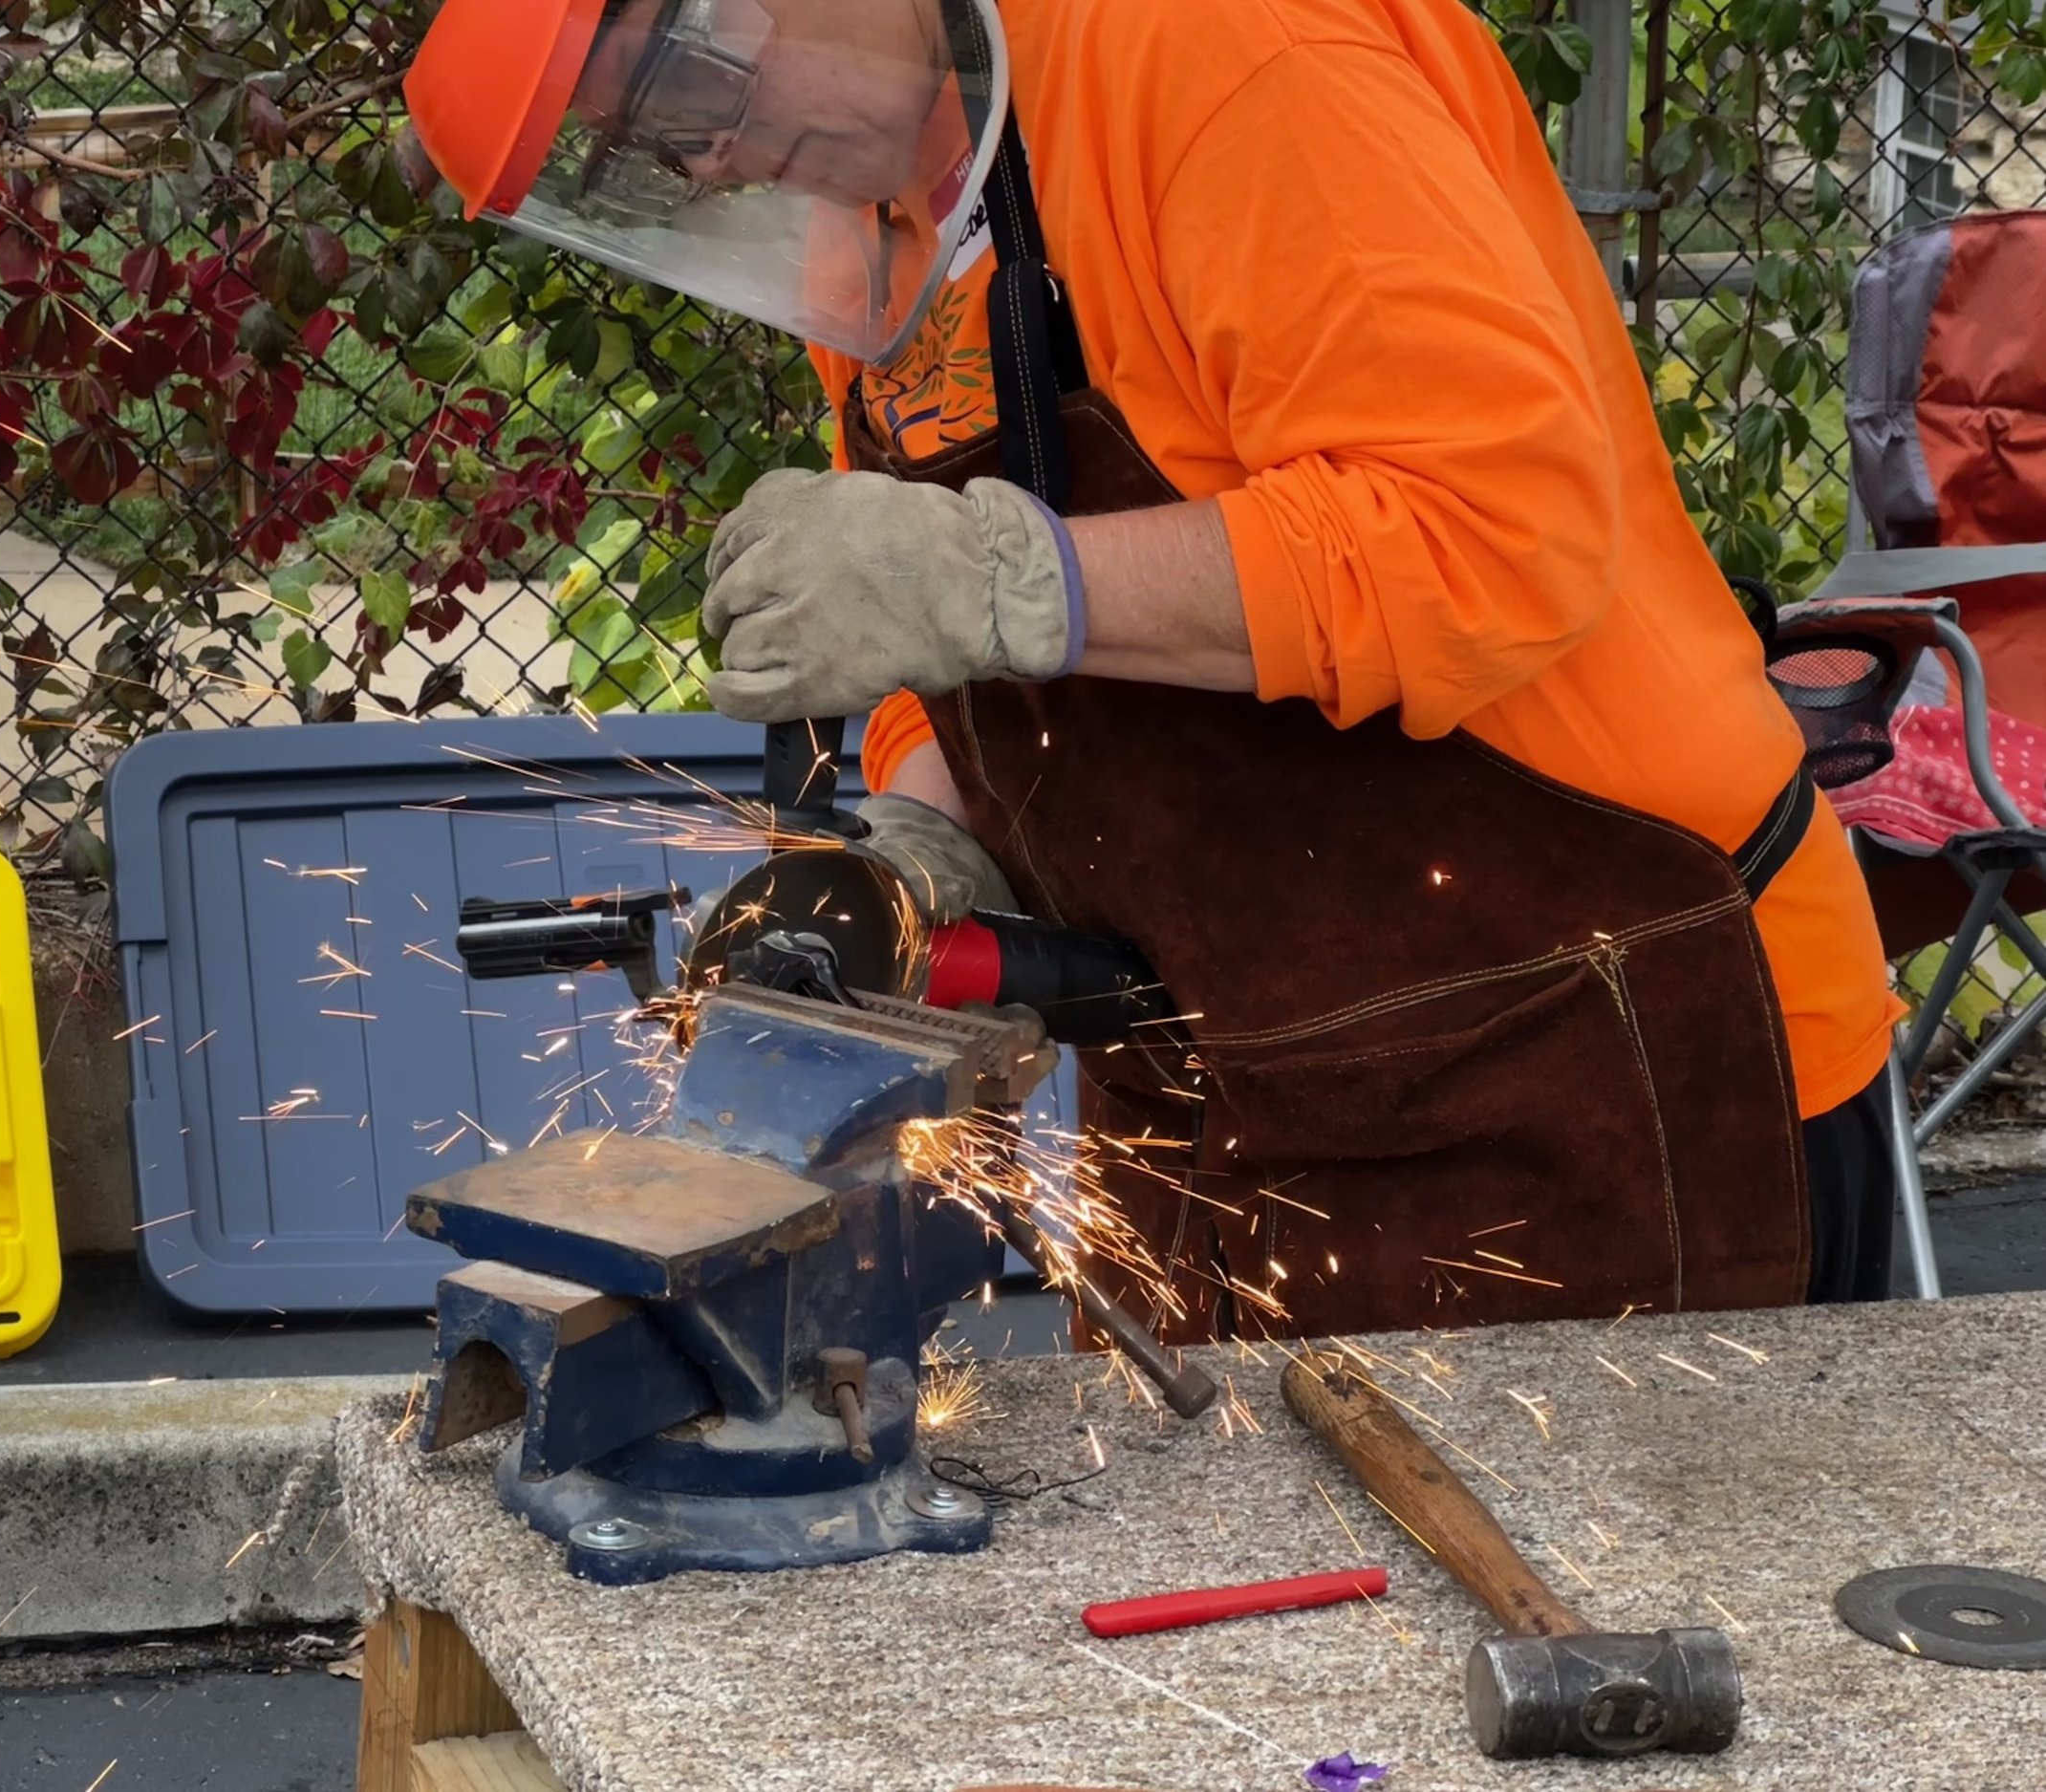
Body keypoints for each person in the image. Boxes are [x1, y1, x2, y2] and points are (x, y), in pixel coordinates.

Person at [405, 0, 1903, 1340]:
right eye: (655, 149)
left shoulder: (1220, 44)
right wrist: (930, 841)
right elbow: (925, 635)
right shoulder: (874, 219)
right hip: (1230, 1075)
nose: (713, 158)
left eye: (685, 82)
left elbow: (1495, 532)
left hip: (1618, 1030)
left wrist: (1005, 579)